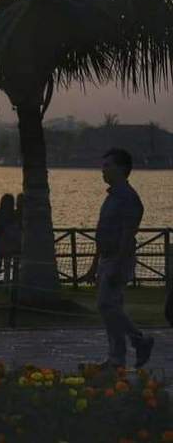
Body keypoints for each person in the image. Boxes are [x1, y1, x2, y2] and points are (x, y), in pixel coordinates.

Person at [82, 148, 154, 368]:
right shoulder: (112, 197)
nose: (103, 170)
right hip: (106, 257)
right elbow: (103, 232)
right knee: (112, 308)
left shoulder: (129, 199)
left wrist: (117, 265)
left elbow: (127, 234)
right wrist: (94, 265)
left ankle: (138, 341)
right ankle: (117, 356)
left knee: (106, 305)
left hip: (118, 258)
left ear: (121, 169)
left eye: (107, 166)